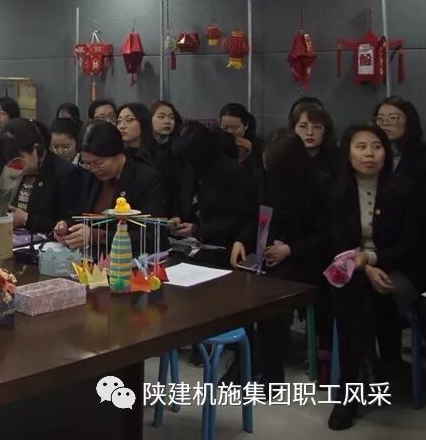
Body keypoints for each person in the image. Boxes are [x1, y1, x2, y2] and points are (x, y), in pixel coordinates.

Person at [327, 124, 425, 431]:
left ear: (386, 152)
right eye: (361, 147)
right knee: (354, 288)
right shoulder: (336, 191)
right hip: (355, 270)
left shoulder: (405, 190)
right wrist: (365, 267)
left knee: (352, 299)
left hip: (400, 270)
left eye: (376, 146)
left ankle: (353, 385)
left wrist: (370, 259)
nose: (369, 154)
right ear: (347, 154)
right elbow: (337, 243)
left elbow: (412, 247)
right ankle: (373, 364)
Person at [230, 130, 329, 385]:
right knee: (238, 283)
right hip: (268, 251)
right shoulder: (263, 178)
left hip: (304, 258)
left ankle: (272, 372)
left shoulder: (318, 185)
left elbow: (326, 236)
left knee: (269, 292)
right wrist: (241, 240)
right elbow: (256, 216)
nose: (267, 168)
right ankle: (244, 361)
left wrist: (291, 249)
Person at [56, 121, 165, 249]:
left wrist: (98, 236)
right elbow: (80, 215)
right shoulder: (92, 177)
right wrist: (68, 227)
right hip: (96, 255)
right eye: (87, 164)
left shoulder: (146, 178)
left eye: (99, 163)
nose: (94, 169)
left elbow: (151, 236)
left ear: (117, 153)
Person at [169, 122, 256, 267]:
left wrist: (198, 230)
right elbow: (180, 200)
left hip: (223, 246)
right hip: (189, 245)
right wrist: (177, 217)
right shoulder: (186, 167)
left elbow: (239, 219)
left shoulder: (232, 171)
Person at [0, 118, 82, 233]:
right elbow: (10, 209)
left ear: (35, 149)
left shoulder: (65, 174)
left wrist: (26, 219)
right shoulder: (14, 171)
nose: (14, 167)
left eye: (18, 160)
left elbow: (68, 224)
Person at [373, 96, 426, 185]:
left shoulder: (422, 157)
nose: (385, 123)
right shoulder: (370, 155)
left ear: (409, 122)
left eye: (393, 118)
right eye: (380, 118)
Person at [290, 104, 340, 181]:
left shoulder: (338, 159)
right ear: (293, 129)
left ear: (326, 131)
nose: (310, 133)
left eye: (317, 127)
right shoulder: (283, 158)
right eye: (303, 126)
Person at [219, 103, 263, 180]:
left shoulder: (259, 145)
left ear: (246, 125)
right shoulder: (217, 143)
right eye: (225, 128)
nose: (230, 132)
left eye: (235, 128)